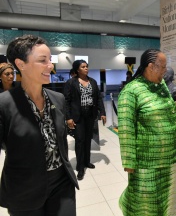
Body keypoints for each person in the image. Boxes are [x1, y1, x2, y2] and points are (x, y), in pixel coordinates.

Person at [0, 35, 79, 215]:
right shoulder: (4, 104)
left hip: (61, 184)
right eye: (42, 60)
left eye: (50, 60)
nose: (50, 66)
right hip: (24, 189)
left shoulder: (57, 99)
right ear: (21, 64)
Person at [118, 49, 176, 215]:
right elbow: (126, 129)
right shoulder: (131, 91)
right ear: (150, 66)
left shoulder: (161, 85)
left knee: (170, 198)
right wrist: (129, 161)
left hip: (172, 157)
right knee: (145, 203)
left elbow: (163, 106)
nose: (165, 71)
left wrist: (174, 106)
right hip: (147, 162)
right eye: (162, 67)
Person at [64, 59, 106, 180]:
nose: (86, 68)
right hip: (77, 116)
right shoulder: (71, 83)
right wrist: (68, 117)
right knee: (80, 141)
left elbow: (98, 98)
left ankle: (87, 161)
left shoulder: (92, 81)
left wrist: (102, 112)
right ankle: (80, 166)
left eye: (87, 66)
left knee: (88, 139)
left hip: (90, 115)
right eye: (83, 67)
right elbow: (66, 101)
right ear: (77, 69)